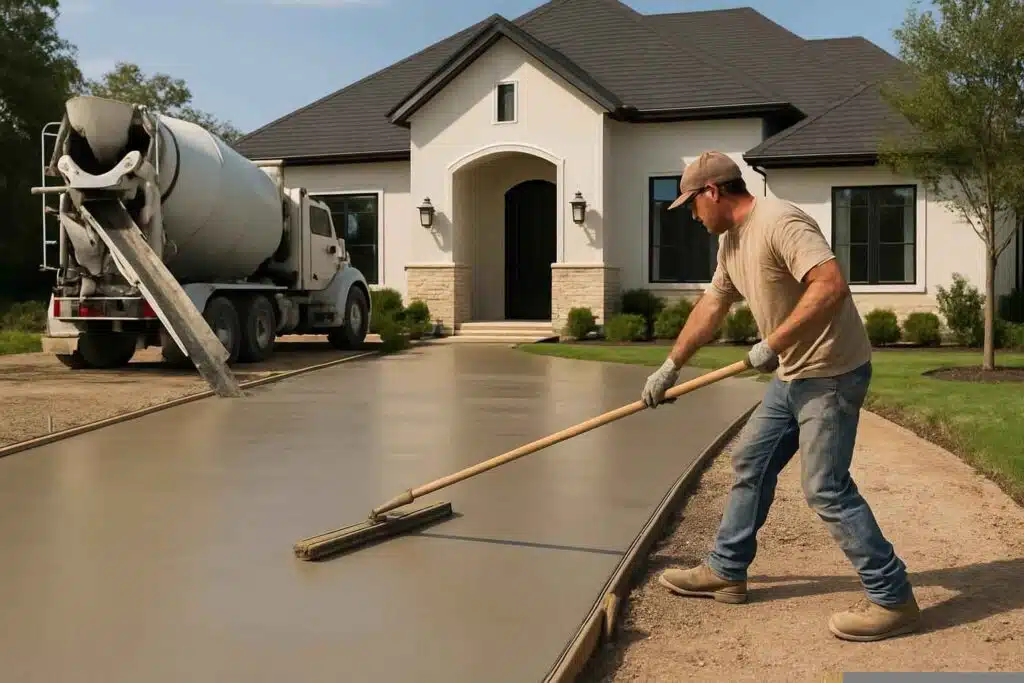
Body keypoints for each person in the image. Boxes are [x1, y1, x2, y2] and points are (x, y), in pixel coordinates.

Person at [641, 151, 920, 642]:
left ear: (712, 193)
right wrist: (671, 364)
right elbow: (713, 304)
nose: (691, 214)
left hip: (832, 373)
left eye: (691, 203)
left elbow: (831, 284)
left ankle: (894, 599)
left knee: (825, 487)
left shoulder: (780, 221)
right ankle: (727, 571)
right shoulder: (730, 243)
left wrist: (774, 343)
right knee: (751, 460)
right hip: (793, 376)